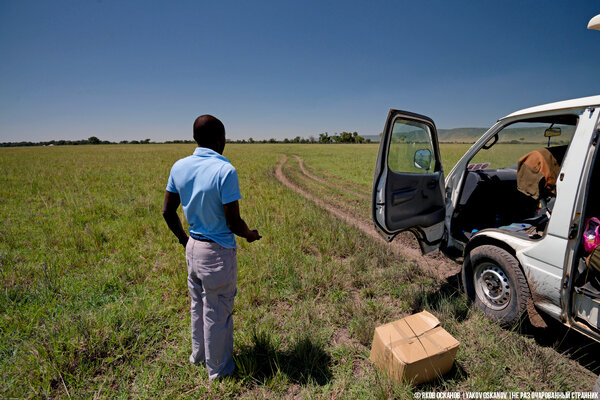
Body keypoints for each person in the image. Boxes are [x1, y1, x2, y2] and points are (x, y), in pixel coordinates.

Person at [162, 115, 261, 380]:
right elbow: (233, 221)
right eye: (225, 137)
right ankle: (219, 371)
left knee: (198, 305)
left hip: (192, 247)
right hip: (217, 252)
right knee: (217, 311)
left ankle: (199, 356)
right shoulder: (225, 171)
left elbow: (167, 211)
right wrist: (250, 234)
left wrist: (185, 241)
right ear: (219, 138)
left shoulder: (179, 166)